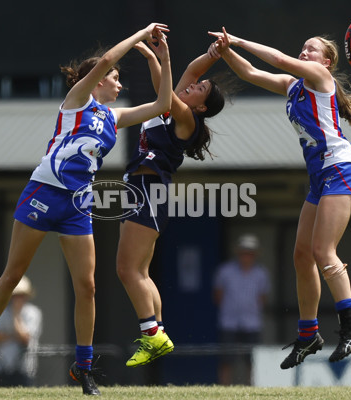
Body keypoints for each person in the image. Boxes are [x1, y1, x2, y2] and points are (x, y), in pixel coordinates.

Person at [0, 22, 173, 396]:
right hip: (44, 190)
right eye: (116, 78)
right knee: (13, 274)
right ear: (98, 79)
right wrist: (140, 35)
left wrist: (164, 57)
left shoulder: (114, 117)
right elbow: (107, 58)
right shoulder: (78, 101)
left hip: (78, 204)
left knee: (87, 286)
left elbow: (163, 104)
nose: (119, 84)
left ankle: (84, 367)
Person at [208, 27, 351, 369]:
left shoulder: (319, 77)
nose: (304, 53)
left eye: (310, 50)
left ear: (326, 62)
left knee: (323, 251)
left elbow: (278, 59)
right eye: (303, 48)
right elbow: (250, 73)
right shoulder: (293, 86)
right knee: (301, 255)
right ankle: (309, 333)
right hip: (320, 177)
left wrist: (237, 40)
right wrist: (225, 51)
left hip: (340, 168)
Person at [116, 40, 226, 367]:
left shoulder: (187, 119)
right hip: (144, 189)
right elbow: (189, 72)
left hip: (148, 190)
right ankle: (158, 332)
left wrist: (161, 56)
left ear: (201, 107)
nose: (192, 85)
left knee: (127, 269)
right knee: (140, 271)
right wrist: (155, 54)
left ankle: (152, 336)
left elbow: (167, 90)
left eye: (199, 89)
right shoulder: (173, 107)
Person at [213, 234, 271, 385]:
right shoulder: (225, 271)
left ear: (255, 255)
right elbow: (218, 295)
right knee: (226, 359)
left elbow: (263, 297)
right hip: (229, 321)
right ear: (238, 253)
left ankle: (251, 386)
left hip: (252, 322)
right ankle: (224, 387)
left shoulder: (261, 273)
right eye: (244, 252)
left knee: (252, 360)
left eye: (250, 253)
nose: (247, 256)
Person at [0, 275, 42, 387]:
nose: (18, 299)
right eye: (16, 296)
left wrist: (16, 315)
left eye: (21, 296)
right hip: (2, 366)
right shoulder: (2, 312)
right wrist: (14, 336)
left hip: (25, 368)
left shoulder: (33, 313)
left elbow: (25, 338)